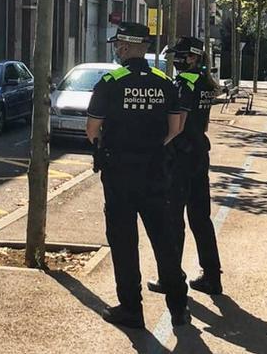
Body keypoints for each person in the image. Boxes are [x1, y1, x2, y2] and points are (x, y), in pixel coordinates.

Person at [86, 22, 191, 328]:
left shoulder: (110, 81)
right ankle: (179, 307)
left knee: (124, 241)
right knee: (163, 238)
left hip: (119, 172)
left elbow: (92, 130)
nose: (117, 49)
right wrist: (153, 147)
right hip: (156, 170)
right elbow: (176, 128)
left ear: (124, 46)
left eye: (118, 44)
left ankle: (131, 309)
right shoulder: (164, 81)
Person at [149, 36, 223, 296]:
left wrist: (158, 146)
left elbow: (176, 125)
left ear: (192, 57)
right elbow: (202, 124)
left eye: (180, 55)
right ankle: (212, 276)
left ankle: (171, 277)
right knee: (201, 218)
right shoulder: (206, 83)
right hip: (200, 154)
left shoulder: (183, 85)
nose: (176, 60)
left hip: (180, 157)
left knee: (173, 220)